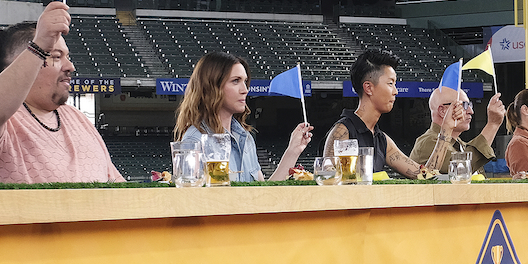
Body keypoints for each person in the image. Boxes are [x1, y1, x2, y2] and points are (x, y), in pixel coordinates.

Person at [0, 2, 124, 183]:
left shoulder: (79, 118)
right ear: (19, 63)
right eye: (55, 56)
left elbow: (117, 184)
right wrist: (40, 46)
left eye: (67, 57)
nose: (70, 67)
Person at [174, 53, 312, 181]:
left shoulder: (246, 139)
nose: (245, 90)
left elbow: (262, 196)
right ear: (212, 87)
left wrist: (293, 151)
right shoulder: (194, 141)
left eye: (245, 81)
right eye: (235, 81)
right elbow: (187, 201)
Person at [321, 50, 455, 178]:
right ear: (368, 87)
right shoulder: (343, 131)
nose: (395, 91)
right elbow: (329, 182)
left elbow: (425, 175)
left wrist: (447, 129)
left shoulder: (382, 139)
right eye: (390, 83)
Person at [409, 85, 507, 175]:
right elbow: (460, 170)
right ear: (443, 111)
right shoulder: (428, 142)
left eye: (470, 105)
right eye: (464, 105)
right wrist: (492, 125)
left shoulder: (460, 145)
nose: (470, 111)